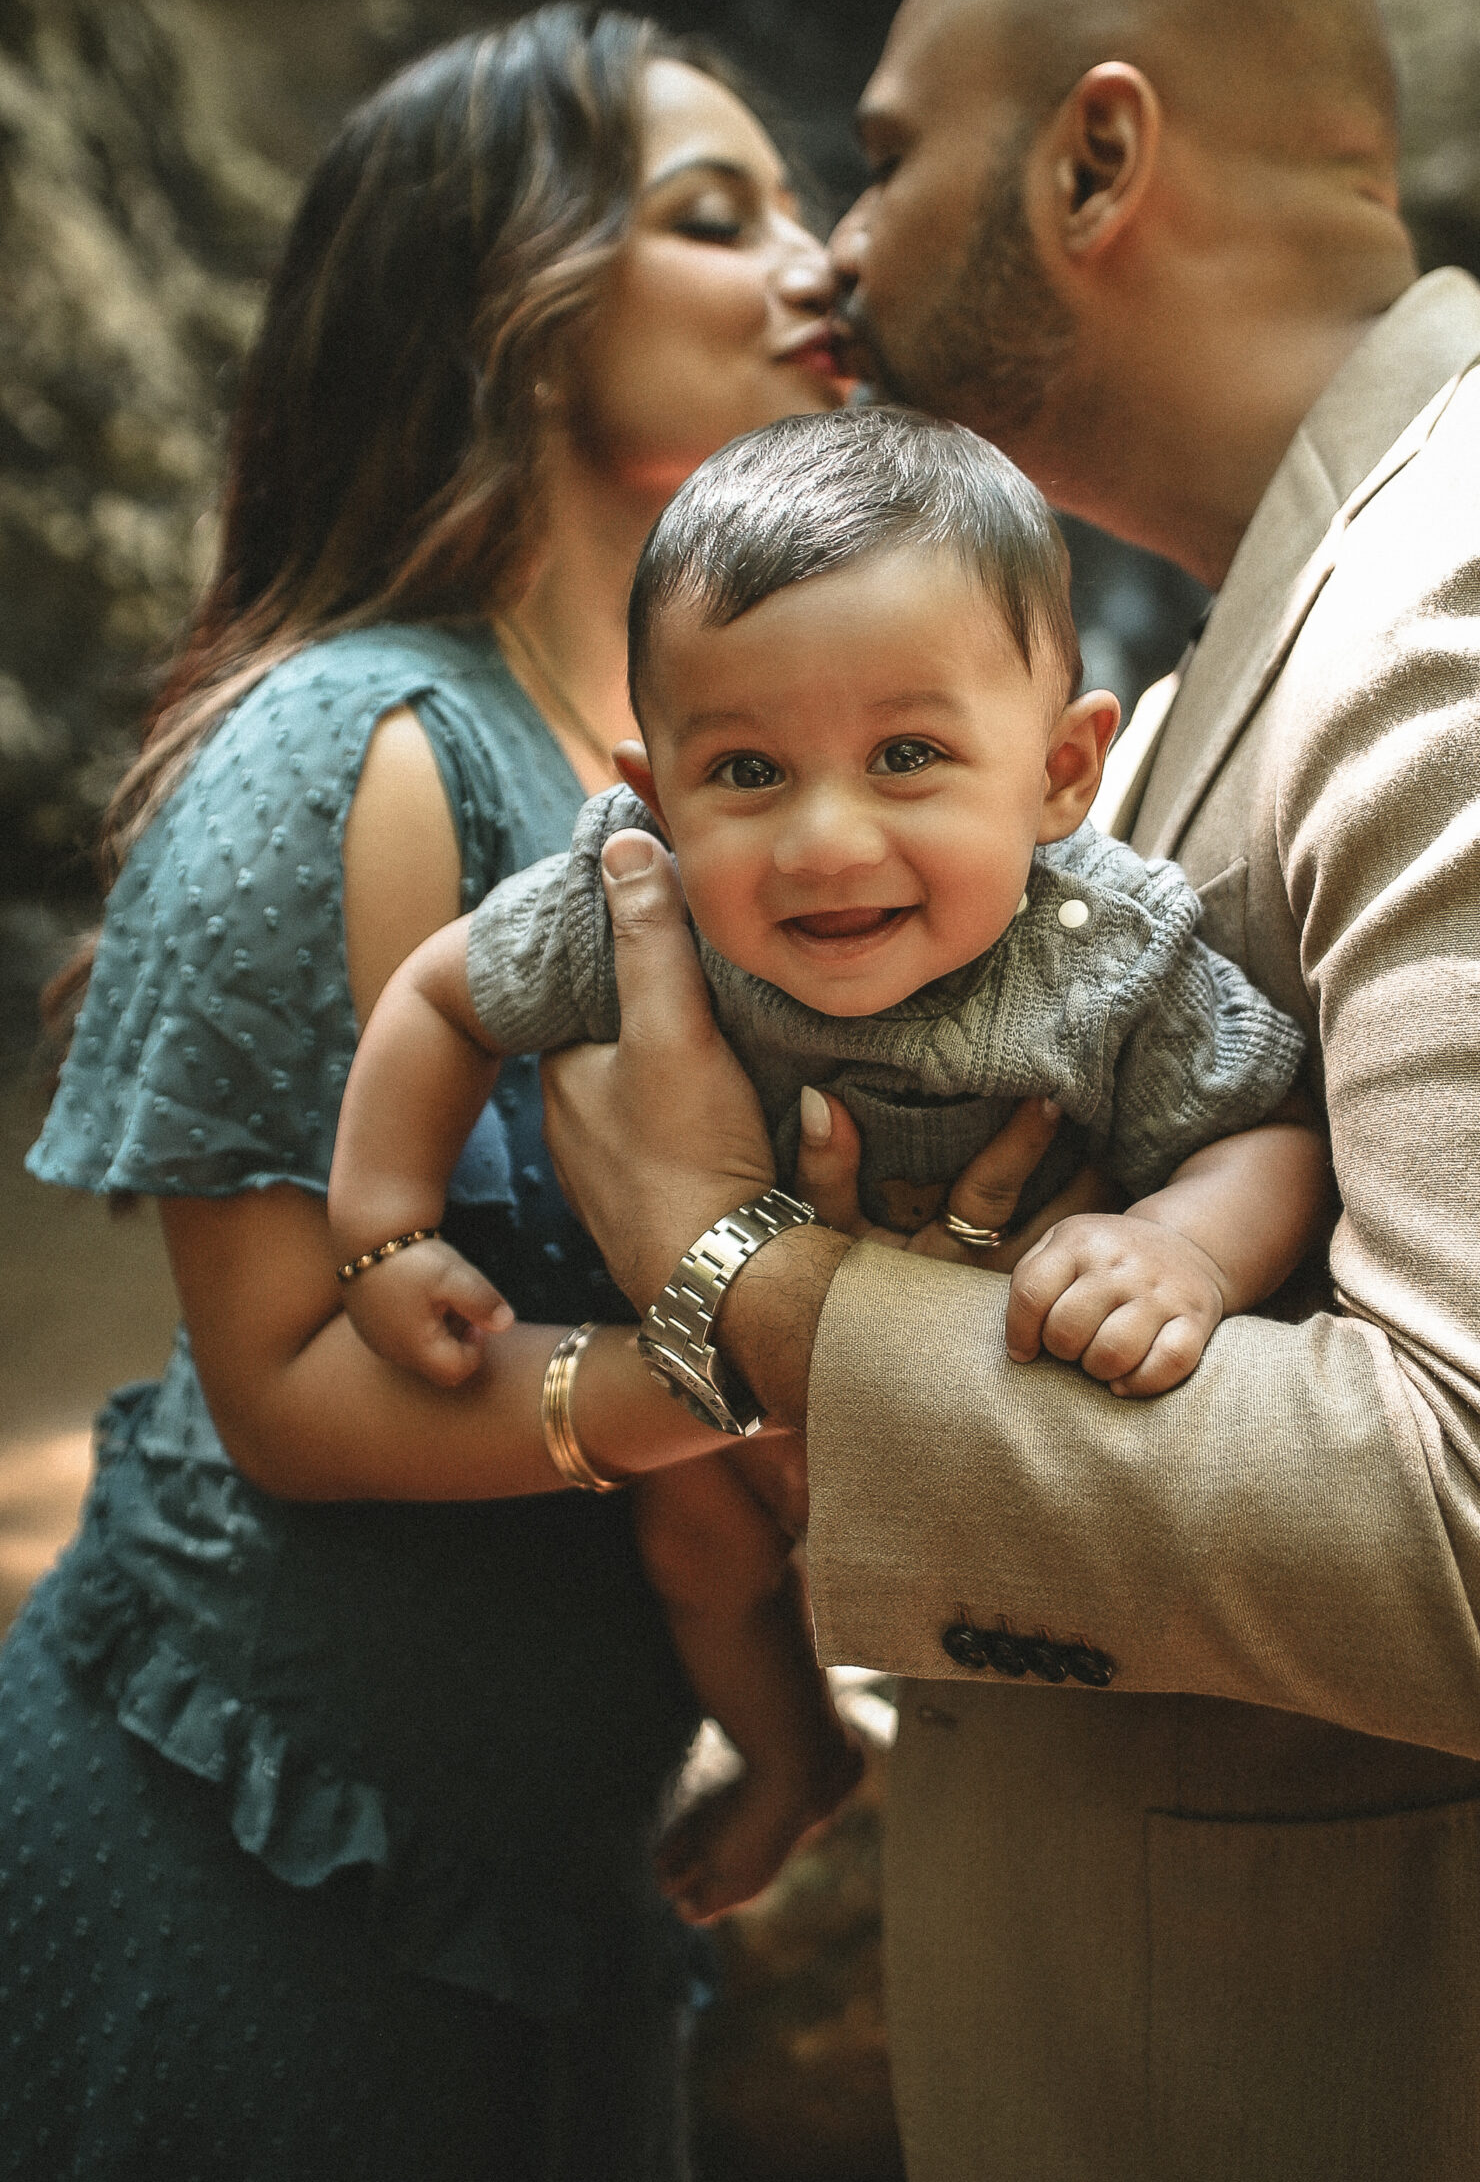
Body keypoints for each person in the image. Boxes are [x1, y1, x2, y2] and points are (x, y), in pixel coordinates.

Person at [535, 0, 1480, 2179]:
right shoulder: (1150, 697)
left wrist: (748, 1283)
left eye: (875, 158)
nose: (832, 259)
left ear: (1092, 158)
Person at [0, 0, 875, 2182]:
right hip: (258, 1836)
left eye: (796, 202)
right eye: (715, 214)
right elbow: (292, 1378)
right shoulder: (360, 746)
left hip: (557, 1860)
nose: (820, 262)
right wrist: (759, 1351)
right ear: (510, 305)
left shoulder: (671, 753)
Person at [324, 406, 1324, 1921]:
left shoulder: (1107, 956)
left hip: (986, 1392)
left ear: (1061, 774)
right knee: (697, 1539)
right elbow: (440, 994)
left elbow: (1270, 1129)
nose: (825, 840)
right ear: (654, 794)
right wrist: (385, 1228)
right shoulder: (630, 896)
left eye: (908, 756)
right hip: (714, 1389)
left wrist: (1184, 1247)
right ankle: (792, 1759)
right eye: (748, 772)